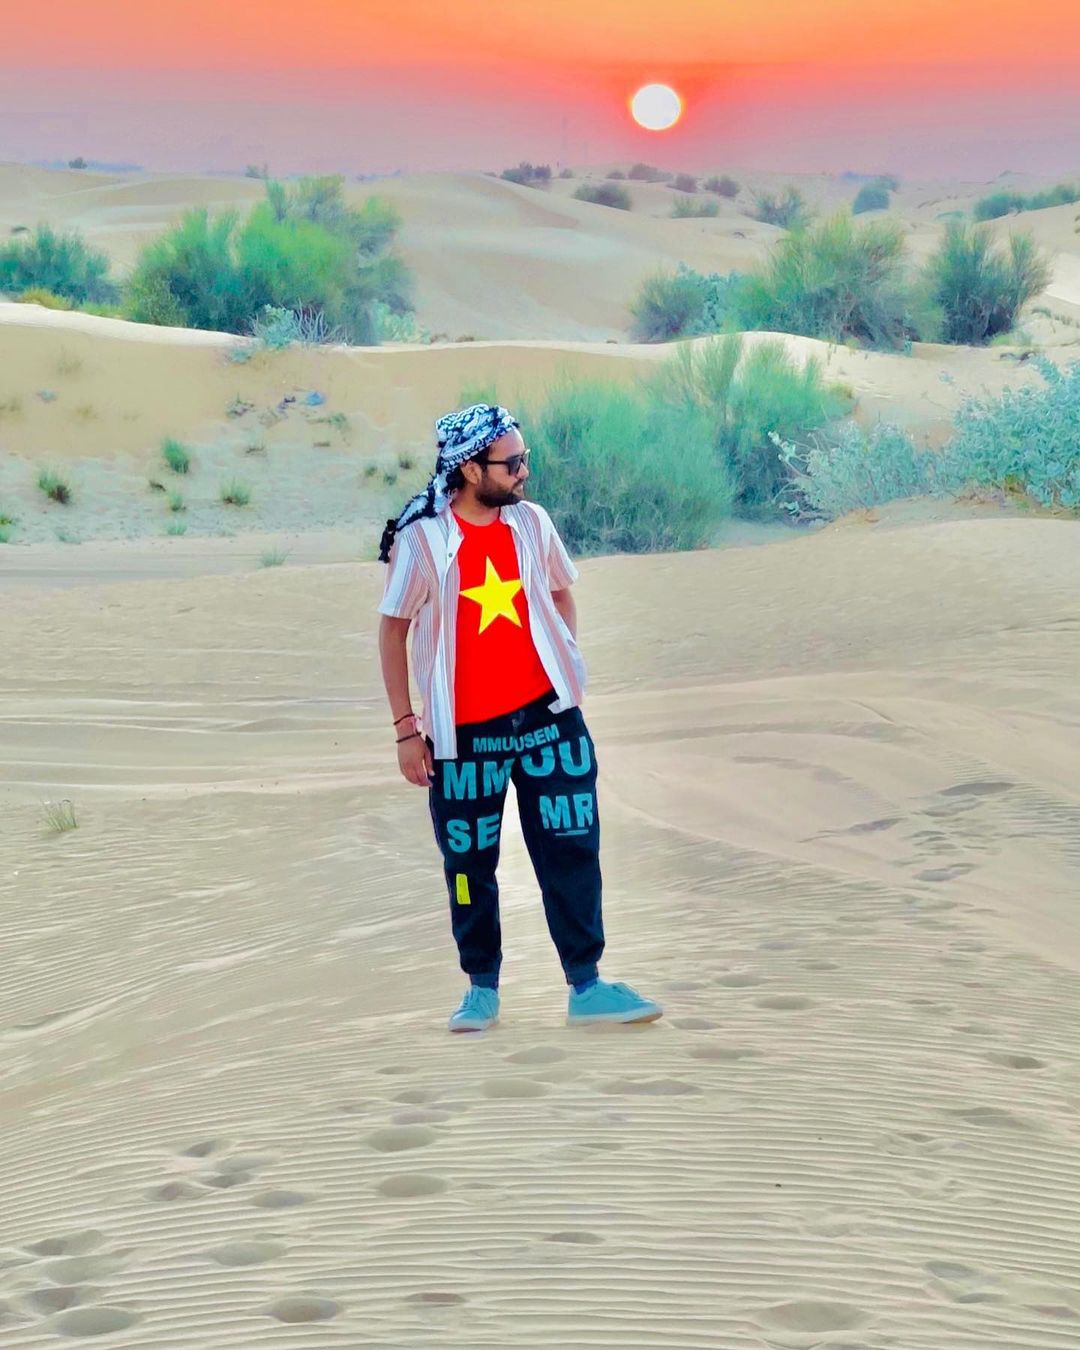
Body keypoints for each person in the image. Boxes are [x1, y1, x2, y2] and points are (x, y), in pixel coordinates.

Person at [377, 403, 662, 1033]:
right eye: (512, 463)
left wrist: (568, 667)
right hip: (462, 736)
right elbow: (392, 631)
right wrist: (405, 730)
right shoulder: (423, 542)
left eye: (524, 459)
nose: (524, 471)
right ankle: (480, 990)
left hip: (550, 722)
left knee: (572, 851)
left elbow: (560, 593)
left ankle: (587, 986)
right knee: (468, 866)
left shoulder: (532, 523)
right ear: (470, 468)